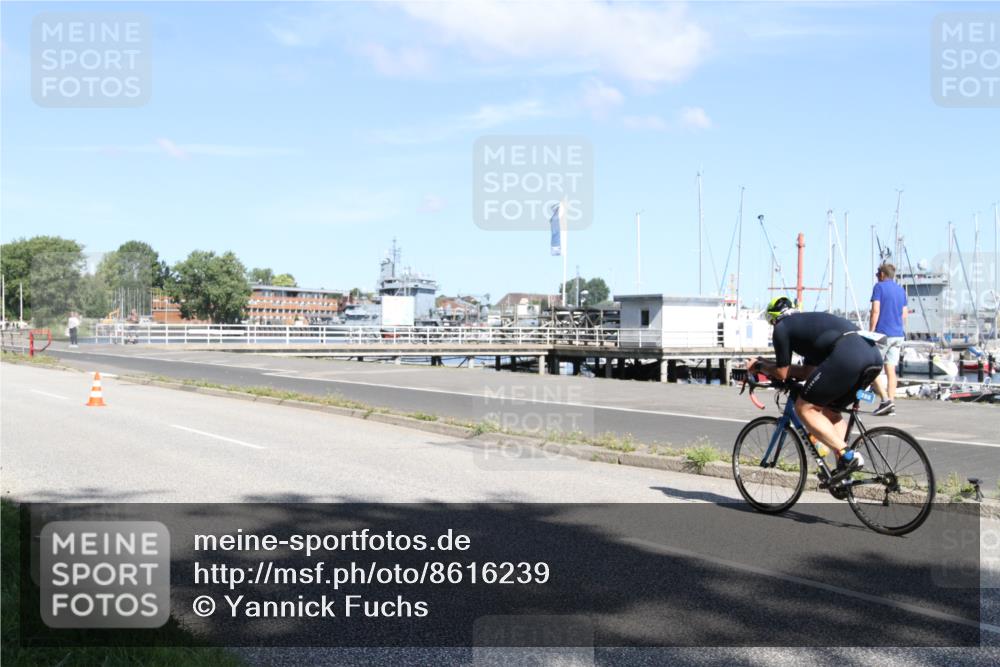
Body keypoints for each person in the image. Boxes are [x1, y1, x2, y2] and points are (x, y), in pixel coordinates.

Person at [749, 297, 884, 474]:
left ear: (773, 319)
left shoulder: (782, 327)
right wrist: (767, 363)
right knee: (830, 411)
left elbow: (782, 373)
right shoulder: (807, 326)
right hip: (872, 355)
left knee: (805, 408)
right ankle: (845, 470)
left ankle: (847, 456)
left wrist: (758, 366)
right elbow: (807, 372)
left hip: (849, 356)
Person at [869, 262, 908, 415]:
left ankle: (885, 400)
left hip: (882, 334)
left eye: (878, 274)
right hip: (898, 334)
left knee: (873, 369)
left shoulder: (879, 287)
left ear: (883, 274)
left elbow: (875, 311)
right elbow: (904, 314)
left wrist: (871, 332)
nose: (877, 276)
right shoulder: (900, 290)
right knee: (891, 370)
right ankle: (891, 404)